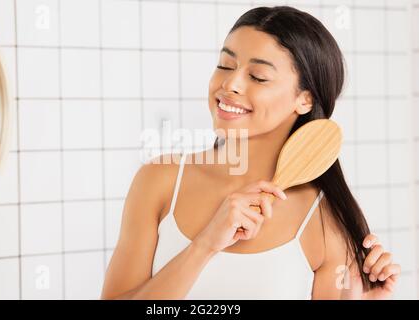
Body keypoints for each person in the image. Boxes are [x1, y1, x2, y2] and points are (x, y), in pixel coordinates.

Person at [101, 6, 401, 300]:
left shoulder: (325, 219)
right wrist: (205, 245)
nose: (230, 84)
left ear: (305, 99)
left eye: (257, 76)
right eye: (225, 65)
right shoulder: (160, 180)